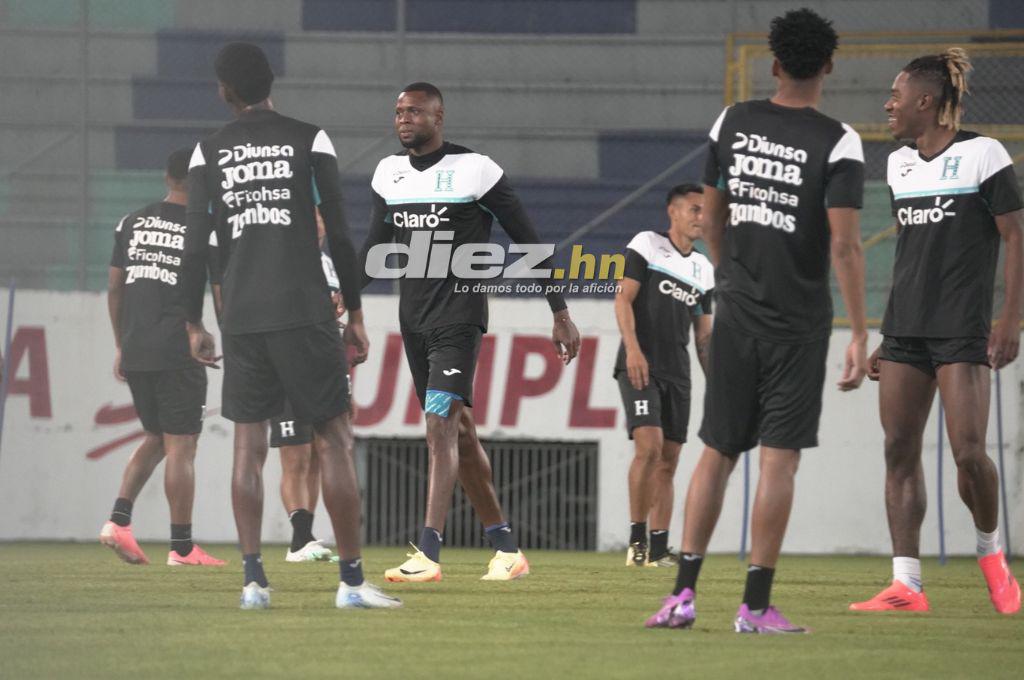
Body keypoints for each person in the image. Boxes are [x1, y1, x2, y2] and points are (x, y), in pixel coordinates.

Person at [645, 8, 868, 633]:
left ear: (773, 64)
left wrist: (731, 279)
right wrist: (858, 332)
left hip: (737, 313)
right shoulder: (839, 141)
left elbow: (712, 216)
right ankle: (755, 606)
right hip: (798, 323)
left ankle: (681, 597)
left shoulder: (733, 120)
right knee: (778, 461)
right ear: (828, 66)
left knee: (716, 451)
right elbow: (845, 245)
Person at [183, 42, 399, 609]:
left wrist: (193, 322)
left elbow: (195, 244)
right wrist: (356, 313)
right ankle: (351, 583)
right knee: (334, 439)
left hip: (243, 316)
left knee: (248, 447)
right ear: (270, 82)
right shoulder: (311, 139)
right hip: (305, 310)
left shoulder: (207, 152)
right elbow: (342, 235)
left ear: (225, 91)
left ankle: (253, 582)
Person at [358, 82, 581, 582]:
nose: (404, 119)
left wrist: (559, 311)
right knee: (460, 433)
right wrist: (343, 299)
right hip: (413, 321)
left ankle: (428, 553)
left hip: (459, 320)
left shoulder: (476, 169)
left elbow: (527, 240)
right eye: (399, 111)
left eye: (415, 111)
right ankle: (506, 550)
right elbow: (373, 248)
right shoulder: (388, 173)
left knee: (439, 424)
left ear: (439, 117)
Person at [850, 48, 1021, 615]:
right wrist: (885, 333)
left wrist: (1010, 318)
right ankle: (907, 585)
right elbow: (911, 255)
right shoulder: (898, 164)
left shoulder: (983, 154)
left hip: (961, 330)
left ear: (925, 101)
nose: (888, 105)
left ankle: (991, 555)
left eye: (895, 96)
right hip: (905, 332)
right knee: (898, 451)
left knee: (969, 453)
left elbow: (1016, 237)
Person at [99, 148, 226, 567]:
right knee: (182, 444)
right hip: (177, 347)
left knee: (157, 436)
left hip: (136, 347)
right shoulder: (205, 227)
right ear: (201, 183)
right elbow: (220, 291)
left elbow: (115, 287)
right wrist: (211, 331)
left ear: (167, 177)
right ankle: (183, 548)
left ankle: (118, 521)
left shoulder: (130, 222)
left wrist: (121, 345)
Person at [615, 184, 713, 568]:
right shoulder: (648, 244)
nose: (701, 217)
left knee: (669, 461)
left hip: (679, 372)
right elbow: (623, 298)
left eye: (705, 210)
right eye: (694, 209)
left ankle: (658, 548)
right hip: (640, 365)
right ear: (673, 211)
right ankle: (636, 540)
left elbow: (703, 335)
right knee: (649, 448)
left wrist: (717, 384)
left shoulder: (704, 268)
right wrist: (633, 349)